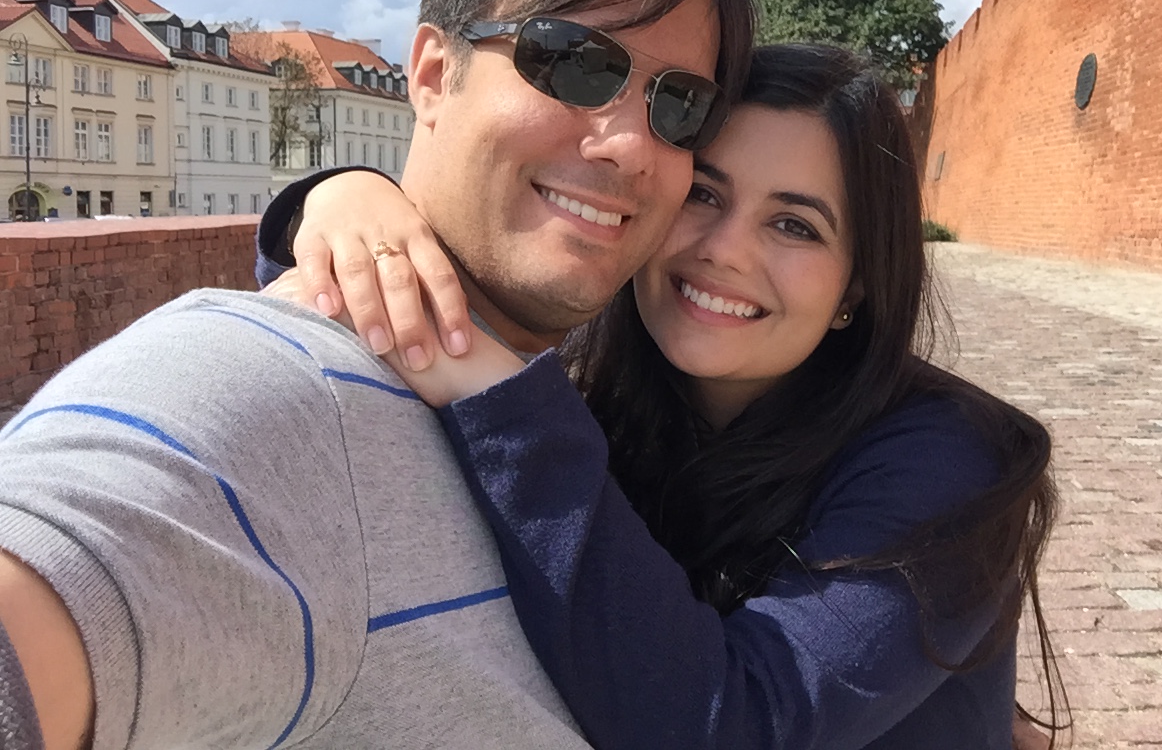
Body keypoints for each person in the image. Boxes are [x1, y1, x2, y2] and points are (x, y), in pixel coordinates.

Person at [0, 0, 755, 750]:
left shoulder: (608, 378)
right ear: (432, 74)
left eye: (681, 105)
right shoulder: (274, 392)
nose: (630, 145)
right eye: (577, 62)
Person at [256, 44, 1069, 749]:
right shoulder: (615, 379)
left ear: (854, 286)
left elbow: (731, 727)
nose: (724, 251)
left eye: (795, 226)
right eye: (704, 195)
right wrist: (340, 199)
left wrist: (485, 384)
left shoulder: (953, 461)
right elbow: (317, 303)